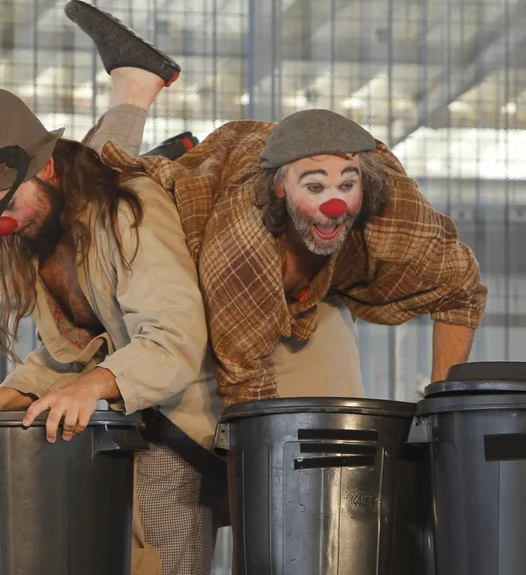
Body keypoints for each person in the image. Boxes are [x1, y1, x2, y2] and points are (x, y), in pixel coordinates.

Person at [0, 48, 223, 575]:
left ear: (45, 168)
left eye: (7, 202)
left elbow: (174, 340)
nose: (1, 223)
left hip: (178, 431)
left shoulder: (128, 211)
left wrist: (93, 386)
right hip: (119, 435)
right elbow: (70, 352)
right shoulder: (40, 236)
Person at [63, 0, 488, 407]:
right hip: (218, 187)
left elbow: (461, 291)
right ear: (282, 189)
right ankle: (136, 86)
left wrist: (443, 407)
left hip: (289, 223)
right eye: (315, 188)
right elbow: (245, 383)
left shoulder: (396, 217)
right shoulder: (243, 242)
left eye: (347, 185)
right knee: (88, 205)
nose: (334, 205)